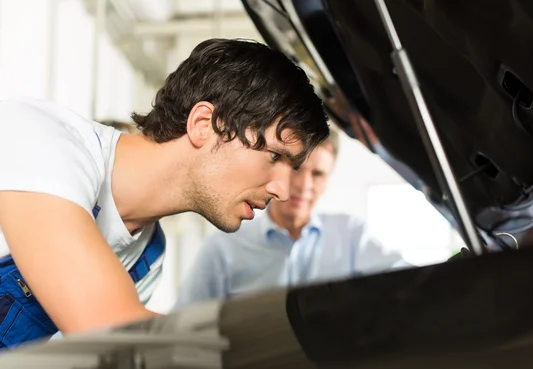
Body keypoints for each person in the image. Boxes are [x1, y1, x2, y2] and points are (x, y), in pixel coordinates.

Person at [0, 38, 329, 349]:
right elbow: (109, 330)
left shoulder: (148, 257)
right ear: (204, 124)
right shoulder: (42, 141)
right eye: (274, 156)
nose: (283, 190)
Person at [175, 129, 410, 305]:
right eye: (296, 169)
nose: (303, 185)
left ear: (327, 180)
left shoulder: (351, 236)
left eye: (317, 174)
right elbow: (184, 326)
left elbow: (409, 282)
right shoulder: (223, 249)